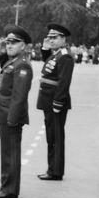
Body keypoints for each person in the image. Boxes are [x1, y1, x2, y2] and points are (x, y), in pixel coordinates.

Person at [0, 25, 33, 198]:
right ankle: (6, 186)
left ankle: (10, 189)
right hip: (5, 113)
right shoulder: (14, 62)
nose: (9, 45)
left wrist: (13, 118)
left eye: (14, 42)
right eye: (8, 42)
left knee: (11, 154)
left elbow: (19, 96)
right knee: (7, 152)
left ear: (23, 45)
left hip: (11, 115)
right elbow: (3, 63)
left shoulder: (22, 65)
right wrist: (2, 51)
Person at [37, 22, 74, 182]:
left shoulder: (65, 56)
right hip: (48, 99)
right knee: (50, 137)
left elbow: (64, 82)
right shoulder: (56, 54)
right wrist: (45, 48)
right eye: (49, 37)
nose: (51, 40)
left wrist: (58, 102)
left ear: (63, 39)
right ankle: (51, 168)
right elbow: (48, 65)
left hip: (55, 101)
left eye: (54, 37)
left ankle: (56, 171)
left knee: (56, 137)